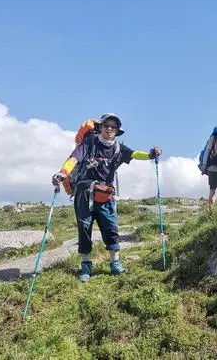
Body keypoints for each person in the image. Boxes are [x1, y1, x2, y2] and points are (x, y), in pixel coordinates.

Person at [52, 113, 162, 282]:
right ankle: (86, 266)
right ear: (100, 128)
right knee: (84, 229)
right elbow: (74, 158)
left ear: (117, 131)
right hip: (84, 194)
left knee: (111, 228)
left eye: (114, 126)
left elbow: (134, 154)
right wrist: (63, 173)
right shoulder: (89, 143)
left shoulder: (118, 148)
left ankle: (115, 263)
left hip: (106, 195)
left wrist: (150, 155)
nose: (110, 128)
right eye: (107, 125)